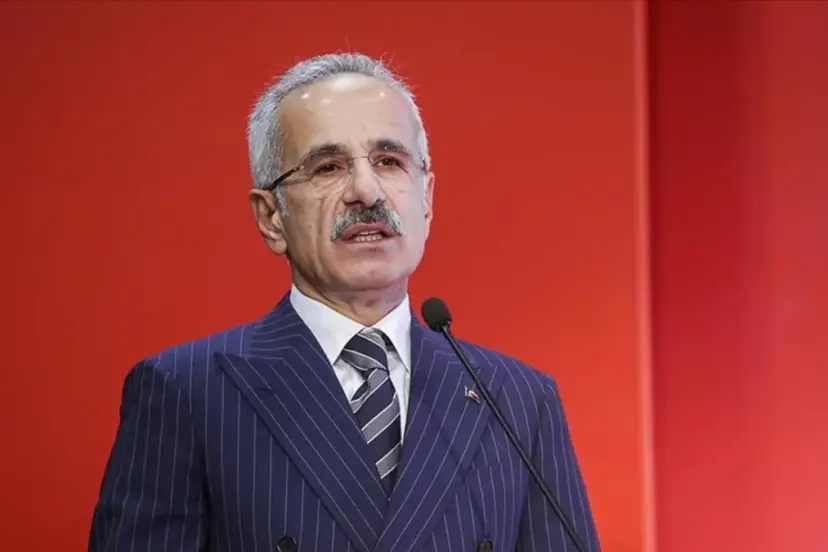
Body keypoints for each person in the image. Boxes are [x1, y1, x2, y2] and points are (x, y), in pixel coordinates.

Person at [88, 52, 601, 552]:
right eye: (328, 167)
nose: (366, 190)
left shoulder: (517, 398)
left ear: (426, 199)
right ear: (271, 217)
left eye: (389, 161)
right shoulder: (186, 391)